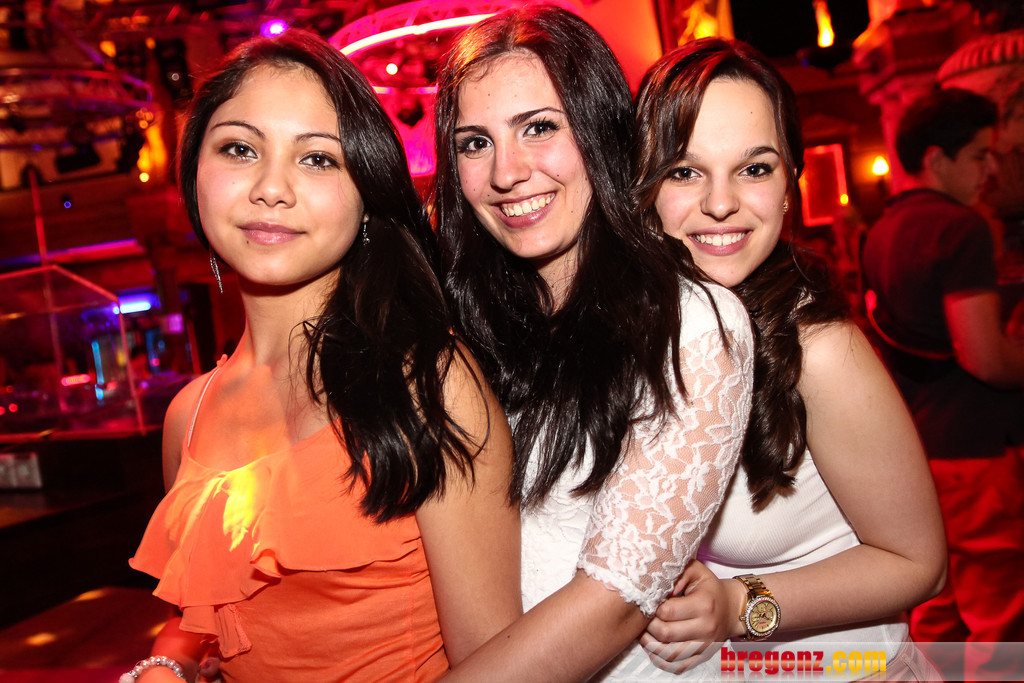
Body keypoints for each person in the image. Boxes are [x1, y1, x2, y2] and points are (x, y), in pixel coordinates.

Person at [125, 30, 520, 682]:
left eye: (316, 159)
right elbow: (203, 610)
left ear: (367, 194)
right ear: (194, 174)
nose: (271, 187)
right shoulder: (186, 418)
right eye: (240, 149)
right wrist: (167, 664)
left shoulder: (427, 384)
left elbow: (497, 662)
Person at [432, 7, 754, 681]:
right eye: (475, 143)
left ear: (600, 130)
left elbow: (611, 605)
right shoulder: (466, 330)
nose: (506, 172)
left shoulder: (692, 324)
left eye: (539, 128)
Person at [632, 38, 946, 678]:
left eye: (754, 168)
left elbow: (921, 565)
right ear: (642, 185)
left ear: (788, 184)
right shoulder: (651, 335)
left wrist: (738, 606)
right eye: (685, 171)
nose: (721, 202)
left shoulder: (821, 351)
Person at [861, 87, 1024, 675]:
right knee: (1000, 614)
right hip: (976, 446)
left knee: (937, 608)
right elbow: (984, 357)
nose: (989, 171)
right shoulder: (959, 228)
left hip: (919, 448)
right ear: (937, 158)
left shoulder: (881, 230)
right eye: (979, 155)